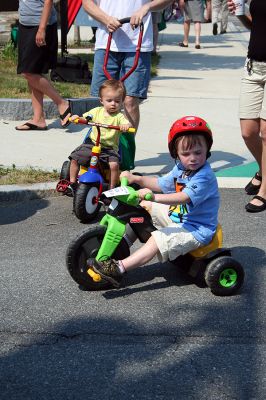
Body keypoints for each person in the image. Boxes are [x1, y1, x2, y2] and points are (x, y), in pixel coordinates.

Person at [89, 116, 220, 288]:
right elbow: (160, 184)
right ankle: (122, 246)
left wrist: (153, 196)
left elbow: (183, 198)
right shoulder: (181, 169)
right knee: (141, 208)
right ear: (176, 154)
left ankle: (118, 269)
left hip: (196, 229)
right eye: (186, 154)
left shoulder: (204, 176)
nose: (193, 158)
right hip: (178, 217)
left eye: (198, 152)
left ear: (207, 150)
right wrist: (136, 178)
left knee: (155, 240)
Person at [81, 0, 173, 132]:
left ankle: (126, 149)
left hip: (137, 45)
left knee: (130, 101)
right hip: (106, 42)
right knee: (103, 100)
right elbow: (87, 4)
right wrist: (106, 19)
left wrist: (147, 7)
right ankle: (103, 144)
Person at [227, 0, 266, 213]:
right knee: (248, 132)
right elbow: (256, 25)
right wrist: (240, 14)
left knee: (265, 132)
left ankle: (265, 191)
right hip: (253, 67)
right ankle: (263, 170)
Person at [15, 0, 72, 131]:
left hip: (40, 25)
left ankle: (62, 103)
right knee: (33, 70)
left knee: (28, 72)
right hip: (26, 25)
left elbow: (48, 1)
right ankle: (38, 118)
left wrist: (42, 29)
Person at [68, 79, 132, 191]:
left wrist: (126, 126)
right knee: (74, 158)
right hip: (92, 144)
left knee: (114, 165)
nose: (113, 104)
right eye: (109, 100)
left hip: (110, 149)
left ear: (122, 102)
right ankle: (72, 183)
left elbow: (127, 123)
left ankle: (112, 188)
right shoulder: (96, 111)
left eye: (117, 101)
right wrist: (77, 118)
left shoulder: (119, 116)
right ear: (101, 100)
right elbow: (86, 118)